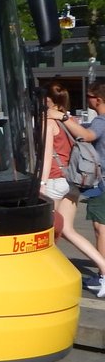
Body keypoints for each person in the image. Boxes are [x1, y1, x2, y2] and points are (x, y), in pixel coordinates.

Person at [41, 82, 105, 297]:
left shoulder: (49, 120)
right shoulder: (72, 121)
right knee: (67, 229)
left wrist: (40, 184)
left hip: (53, 182)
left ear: (48, 100)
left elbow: (47, 155)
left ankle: (49, 276)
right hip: (72, 181)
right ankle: (103, 265)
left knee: (46, 231)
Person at [61, 79, 105, 292]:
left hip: (103, 181)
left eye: (88, 96)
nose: (86, 99)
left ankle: (104, 276)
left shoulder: (101, 120)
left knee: (100, 228)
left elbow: (87, 135)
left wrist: (62, 117)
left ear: (98, 99)